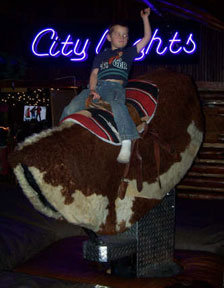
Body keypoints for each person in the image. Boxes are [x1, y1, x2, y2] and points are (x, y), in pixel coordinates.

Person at [60, 7, 152, 163]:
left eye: (125, 35)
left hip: (115, 87)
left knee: (117, 105)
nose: (122, 37)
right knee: (69, 109)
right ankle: (60, 139)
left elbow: (147, 38)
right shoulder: (101, 55)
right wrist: (93, 90)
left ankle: (127, 141)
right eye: (118, 34)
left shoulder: (129, 53)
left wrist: (145, 18)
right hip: (96, 86)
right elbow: (94, 74)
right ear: (109, 37)